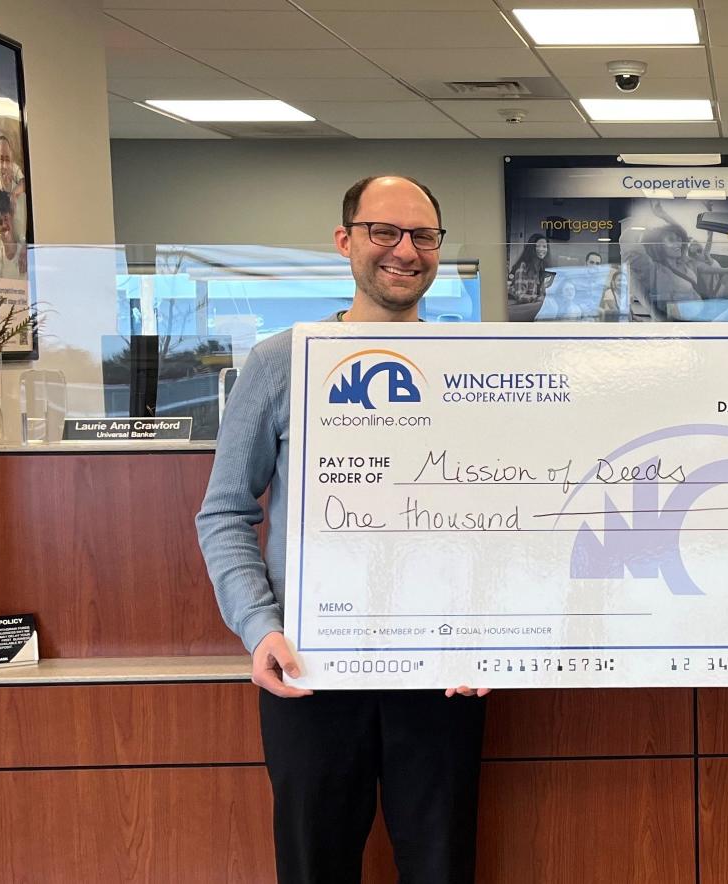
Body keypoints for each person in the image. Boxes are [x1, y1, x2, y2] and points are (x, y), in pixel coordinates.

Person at [196, 175, 489, 884]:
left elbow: (503, 520)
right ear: (345, 241)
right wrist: (259, 628)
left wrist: (494, 634)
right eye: (384, 232)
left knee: (442, 866)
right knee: (314, 865)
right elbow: (226, 512)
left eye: (423, 236)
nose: (405, 251)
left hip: (443, 673)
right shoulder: (279, 362)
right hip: (309, 669)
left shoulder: (476, 367)